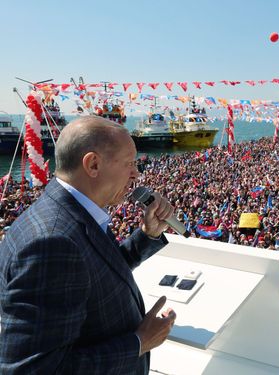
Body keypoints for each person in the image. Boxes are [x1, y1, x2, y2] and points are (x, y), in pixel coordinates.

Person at [0, 116, 177, 374]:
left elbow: (97, 269)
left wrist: (148, 235)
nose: (136, 174)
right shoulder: (52, 243)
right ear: (93, 164)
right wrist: (139, 342)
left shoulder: (70, 213)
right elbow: (33, 369)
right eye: (129, 164)